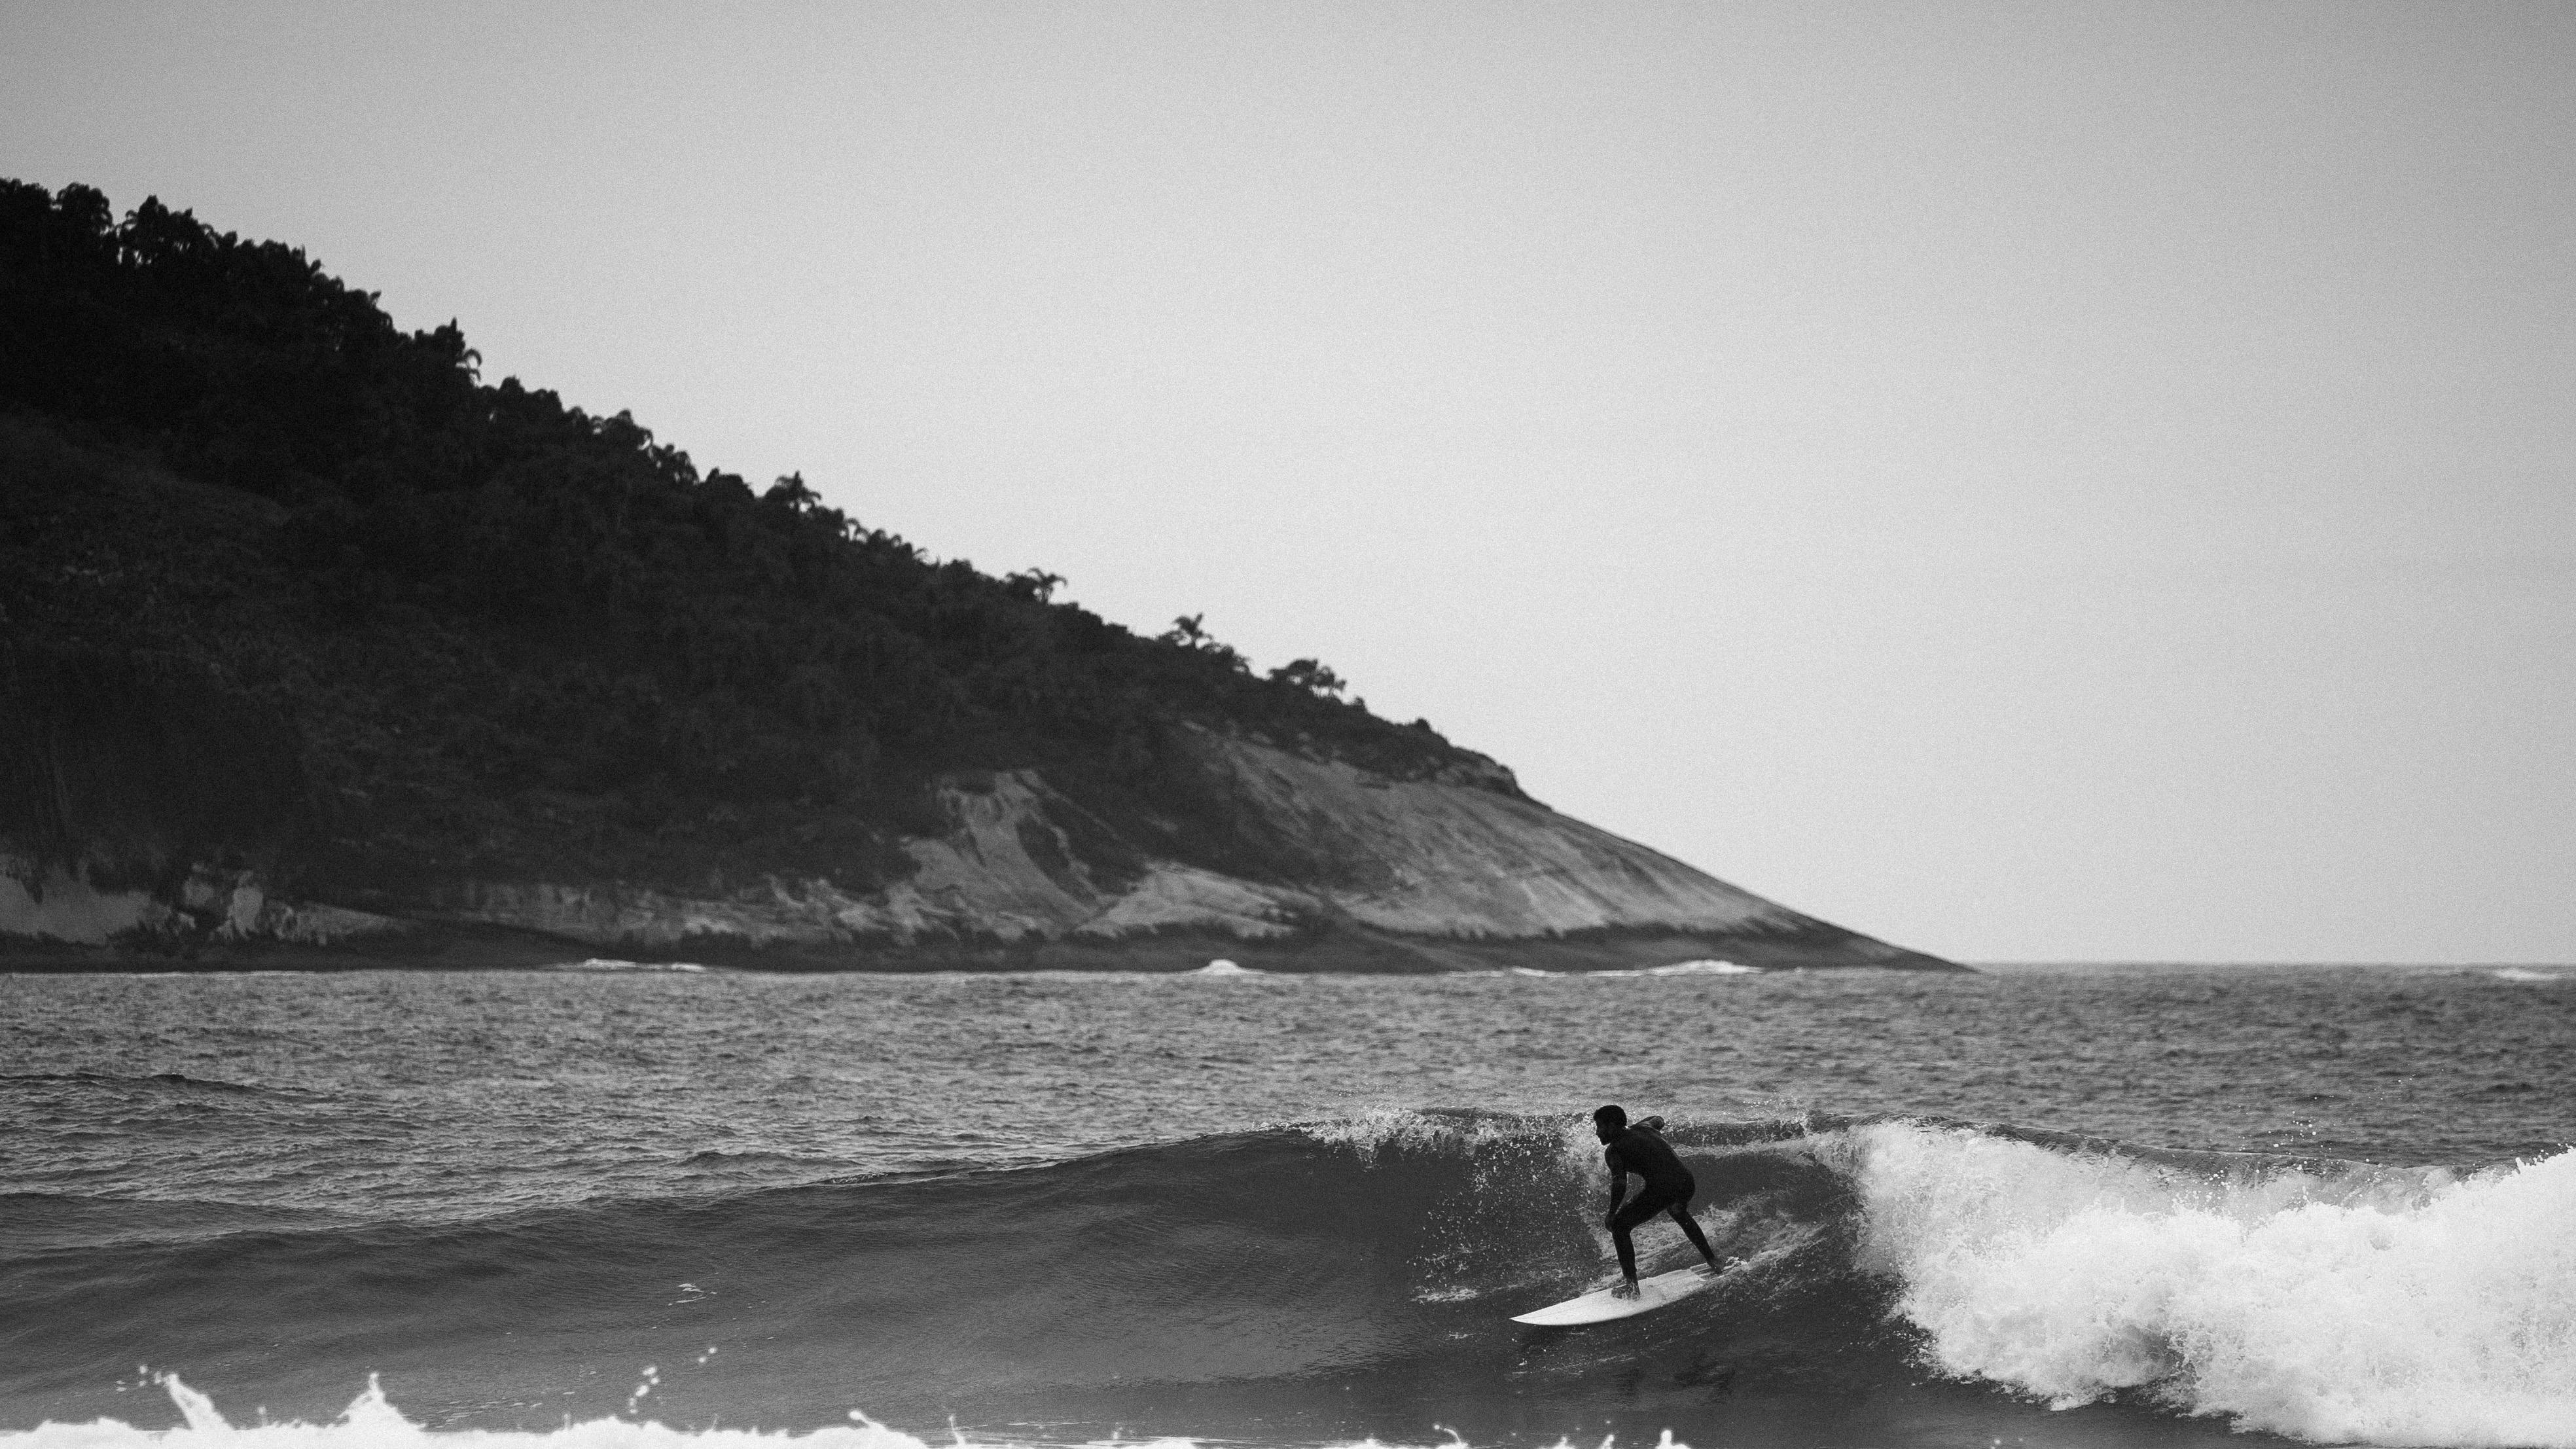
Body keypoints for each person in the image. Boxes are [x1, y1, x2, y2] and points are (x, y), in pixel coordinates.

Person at [1594, 1104, 1728, 1298]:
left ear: (1613, 1127)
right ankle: (1713, 1260)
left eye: (1600, 1127)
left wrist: (1612, 1213)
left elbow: (1620, 1183)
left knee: (1620, 1226)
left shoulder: (1614, 1151)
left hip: (1663, 1188)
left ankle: (1631, 1287)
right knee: (1678, 1211)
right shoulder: (1646, 1127)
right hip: (1685, 1181)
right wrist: (1641, 1126)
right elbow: (1659, 1118)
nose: (1597, 1133)